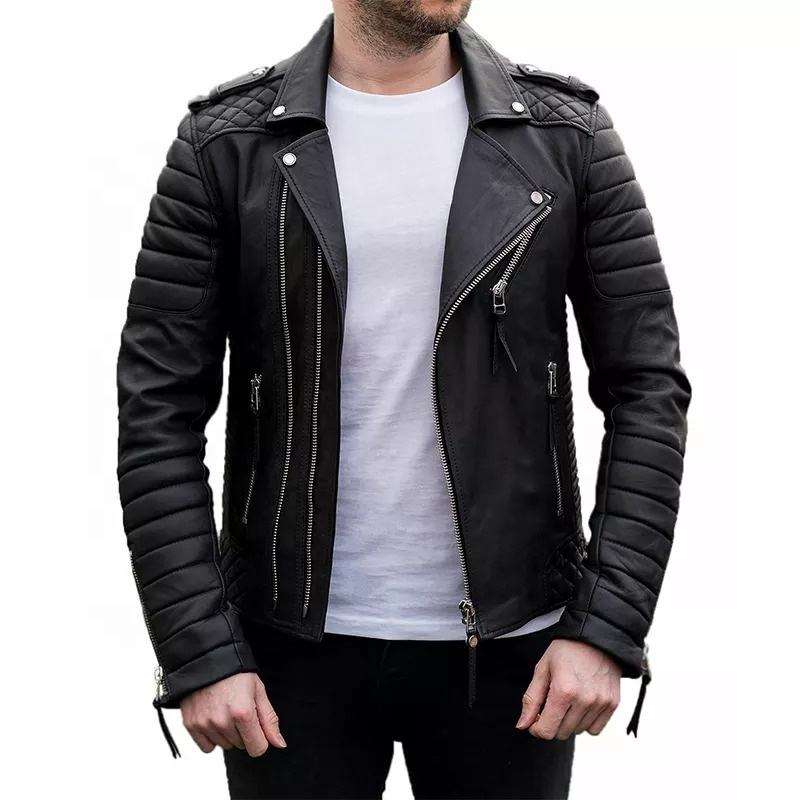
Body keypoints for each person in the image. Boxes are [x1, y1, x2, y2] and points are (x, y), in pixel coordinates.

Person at [117, 2, 690, 797]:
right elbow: (158, 410)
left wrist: (606, 627)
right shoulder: (225, 145)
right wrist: (199, 649)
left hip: (515, 653)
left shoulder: (567, 136)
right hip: (286, 654)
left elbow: (647, 387)